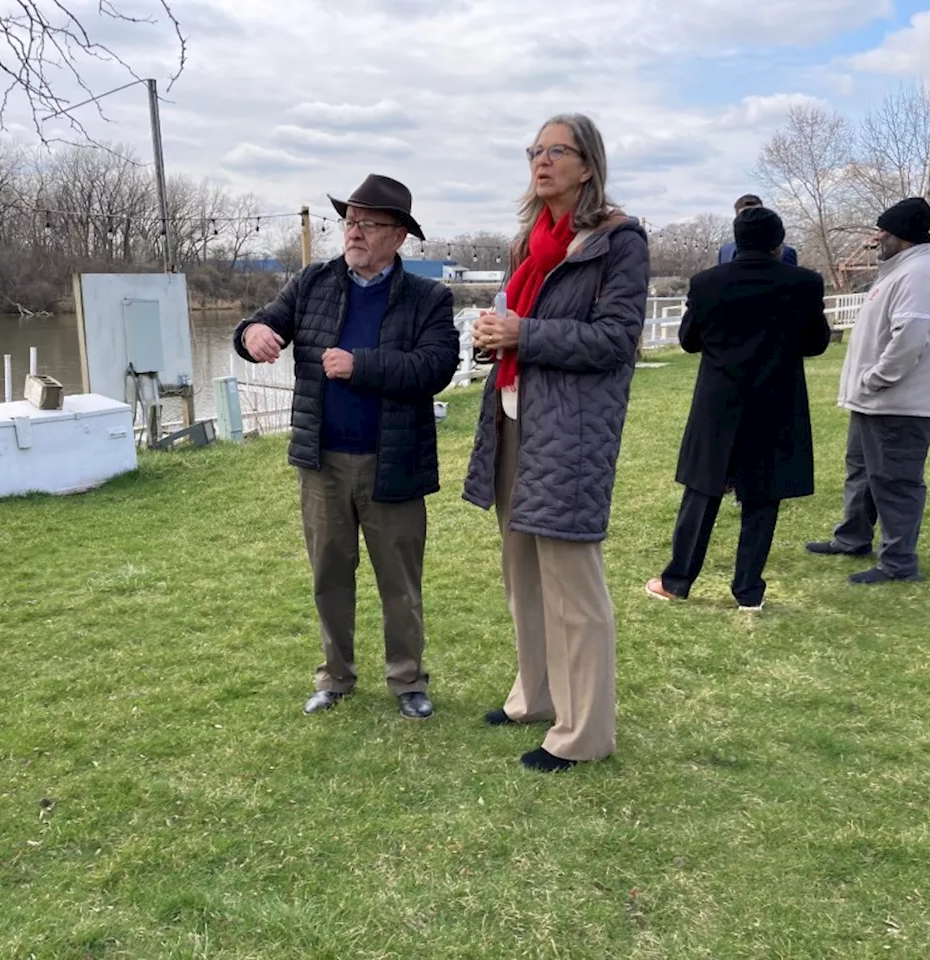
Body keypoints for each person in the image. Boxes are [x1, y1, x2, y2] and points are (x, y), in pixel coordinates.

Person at [233, 174, 460, 719]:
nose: (353, 232)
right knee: (329, 575)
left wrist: (362, 366)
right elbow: (264, 323)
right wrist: (250, 335)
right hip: (322, 462)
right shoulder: (313, 283)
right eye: (349, 220)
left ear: (399, 236)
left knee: (399, 582)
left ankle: (408, 680)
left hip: (393, 463)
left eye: (367, 223)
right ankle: (335, 676)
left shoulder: (428, 297)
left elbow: (436, 368)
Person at [462, 113, 649, 772]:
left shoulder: (618, 240)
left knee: (572, 584)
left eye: (555, 151)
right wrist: (491, 338)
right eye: (534, 150)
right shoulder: (527, 244)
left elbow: (616, 339)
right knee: (522, 575)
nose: (541, 161)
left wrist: (524, 335)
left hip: (569, 429)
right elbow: (512, 325)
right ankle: (535, 697)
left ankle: (584, 733)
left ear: (588, 165)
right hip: (514, 419)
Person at [645, 207, 830, 611]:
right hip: (776, 400)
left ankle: (677, 580)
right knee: (764, 498)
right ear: (779, 244)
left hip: (718, 402)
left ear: (736, 241)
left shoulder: (707, 283)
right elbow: (816, 343)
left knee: (702, 491)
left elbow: (690, 341)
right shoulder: (805, 284)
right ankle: (748, 591)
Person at [806, 197, 930, 583]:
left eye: (883, 232)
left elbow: (911, 338)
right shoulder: (898, 270)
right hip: (875, 402)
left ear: (900, 236)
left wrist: (876, 378)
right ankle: (853, 537)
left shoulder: (920, 273)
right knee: (862, 472)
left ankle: (898, 563)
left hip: (900, 403)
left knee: (895, 481)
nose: (877, 239)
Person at [718, 194, 798, 266]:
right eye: (746, 215)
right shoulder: (725, 251)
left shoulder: (787, 253)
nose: (753, 219)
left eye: (758, 213)